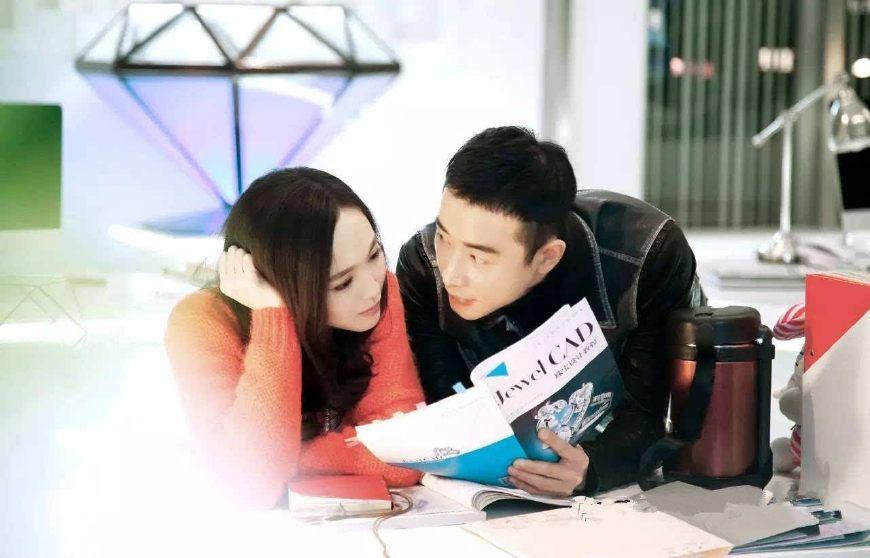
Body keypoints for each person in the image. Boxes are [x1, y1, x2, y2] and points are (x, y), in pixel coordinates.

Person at [396, 126, 704, 497]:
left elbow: (656, 411)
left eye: (478, 257)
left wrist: (595, 466)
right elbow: (445, 405)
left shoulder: (645, 255)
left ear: (547, 257)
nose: (450, 273)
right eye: (444, 238)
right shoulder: (423, 264)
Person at [165, 168, 424, 509]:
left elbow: (409, 453)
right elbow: (251, 486)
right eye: (342, 283)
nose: (371, 288)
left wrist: (289, 457)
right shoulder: (202, 320)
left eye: (375, 255)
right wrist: (273, 316)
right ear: (277, 282)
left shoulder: (379, 294)